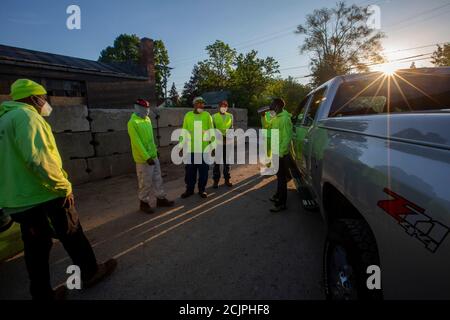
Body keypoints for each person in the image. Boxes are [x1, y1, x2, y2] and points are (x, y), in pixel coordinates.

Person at [0, 79, 117, 300]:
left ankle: (42, 295)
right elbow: (39, 159)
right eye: (43, 97)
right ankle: (91, 273)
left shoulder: (3, 120)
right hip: (43, 194)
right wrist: (63, 187)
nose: (45, 101)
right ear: (33, 97)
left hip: (17, 201)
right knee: (72, 233)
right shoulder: (27, 117)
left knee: (35, 248)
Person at [127, 99, 174, 213]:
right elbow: (137, 143)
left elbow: (150, 138)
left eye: (147, 108)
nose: (147, 111)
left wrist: (155, 150)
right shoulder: (133, 123)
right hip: (143, 159)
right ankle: (143, 203)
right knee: (145, 182)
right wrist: (146, 157)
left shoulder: (147, 120)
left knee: (158, 178)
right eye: (144, 108)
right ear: (137, 108)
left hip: (153, 156)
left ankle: (160, 199)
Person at [180, 97, 214, 199]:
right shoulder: (188, 115)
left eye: (202, 104)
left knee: (203, 172)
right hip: (191, 150)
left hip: (204, 149)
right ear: (194, 105)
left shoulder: (207, 115)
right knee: (190, 172)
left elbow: (211, 131)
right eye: (199, 104)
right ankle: (189, 190)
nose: (201, 106)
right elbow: (184, 131)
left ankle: (202, 190)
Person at [267, 98, 293, 212]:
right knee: (279, 177)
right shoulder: (276, 117)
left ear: (277, 106)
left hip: (281, 154)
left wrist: (281, 153)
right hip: (276, 152)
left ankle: (282, 204)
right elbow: (268, 127)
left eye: (272, 104)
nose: (270, 106)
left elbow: (287, 138)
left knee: (282, 179)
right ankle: (277, 196)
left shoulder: (285, 119)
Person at [212, 100, 233, 189]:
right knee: (217, 163)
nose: (223, 107)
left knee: (227, 163)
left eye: (225, 106)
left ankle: (227, 180)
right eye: (221, 105)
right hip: (218, 143)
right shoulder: (213, 117)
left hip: (227, 142)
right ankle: (216, 181)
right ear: (218, 107)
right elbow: (212, 131)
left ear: (227, 107)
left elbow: (232, 128)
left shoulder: (230, 116)